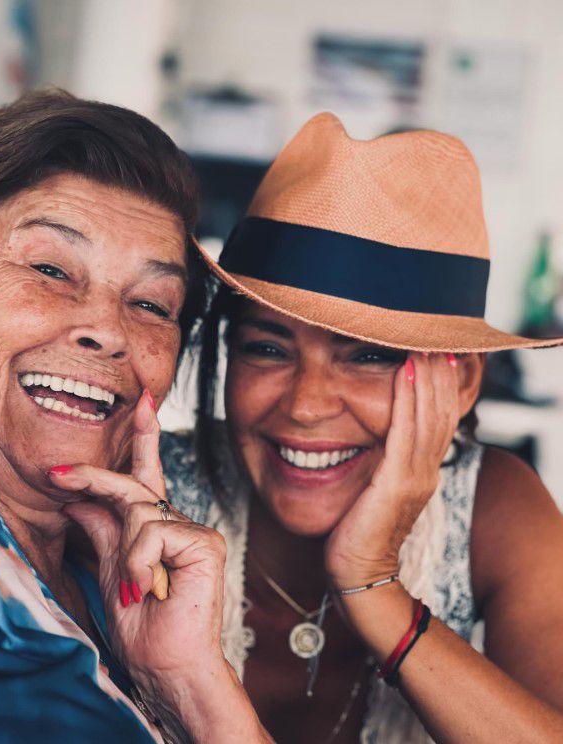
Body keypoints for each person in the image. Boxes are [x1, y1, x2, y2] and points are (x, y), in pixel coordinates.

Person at [161, 113, 563, 743]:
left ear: (460, 383)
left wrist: (371, 582)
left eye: (368, 355)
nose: (306, 406)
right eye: (267, 348)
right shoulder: (155, 492)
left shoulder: (494, 508)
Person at [0, 90, 272, 744]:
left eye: (153, 306)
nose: (107, 331)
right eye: (51, 268)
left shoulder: (101, 574)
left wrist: (192, 682)